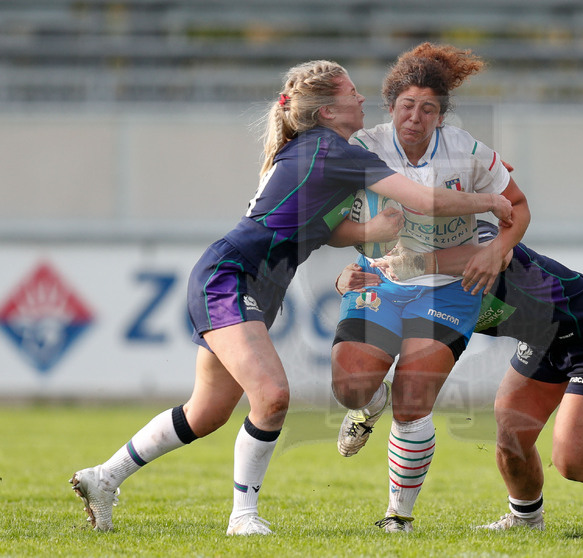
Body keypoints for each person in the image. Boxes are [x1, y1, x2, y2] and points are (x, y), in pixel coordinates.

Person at [68, 59, 513, 536]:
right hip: (231, 278)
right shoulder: (333, 150)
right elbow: (424, 200)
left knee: (207, 412)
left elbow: (322, 229)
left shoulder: (317, 149)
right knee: (273, 396)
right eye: (351, 92)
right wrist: (490, 199)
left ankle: (103, 477)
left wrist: (369, 229)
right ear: (327, 111)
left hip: (247, 282)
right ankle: (243, 517)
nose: (361, 98)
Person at [339, 219, 583, 531]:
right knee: (511, 435)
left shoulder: (471, 238)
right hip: (543, 340)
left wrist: (421, 263)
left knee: (575, 462)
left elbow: (498, 253)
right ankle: (526, 520)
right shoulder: (401, 271)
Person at [327, 43, 530, 533]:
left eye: (428, 109)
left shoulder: (469, 152)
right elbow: (327, 222)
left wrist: (496, 250)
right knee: (350, 387)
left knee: (413, 398)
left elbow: (518, 207)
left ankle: (398, 515)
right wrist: (346, 266)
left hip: (449, 288)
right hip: (381, 278)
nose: (415, 118)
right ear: (390, 105)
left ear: (441, 115)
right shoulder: (362, 147)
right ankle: (368, 405)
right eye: (406, 106)